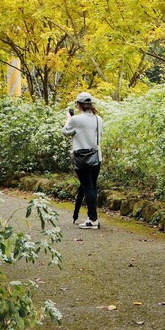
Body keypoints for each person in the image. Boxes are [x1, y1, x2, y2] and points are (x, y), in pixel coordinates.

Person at [63, 92, 103, 229]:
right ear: (90, 105)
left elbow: (66, 132)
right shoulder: (98, 118)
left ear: (79, 105)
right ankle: (91, 217)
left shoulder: (76, 120)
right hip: (97, 157)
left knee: (87, 188)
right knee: (92, 187)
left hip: (82, 159)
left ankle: (93, 219)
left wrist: (69, 118)